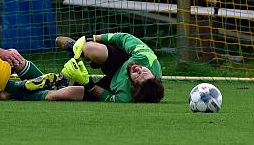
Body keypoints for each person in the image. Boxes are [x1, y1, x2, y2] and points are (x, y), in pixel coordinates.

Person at [29, 33, 164, 103]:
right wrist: (91, 38)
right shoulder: (146, 58)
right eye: (144, 71)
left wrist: (87, 82)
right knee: (91, 48)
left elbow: (104, 96)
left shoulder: (126, 96)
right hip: (122, 61)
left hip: (112, 84)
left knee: (61, 95)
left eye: (138, 77)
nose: (139, 70)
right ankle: (76, 48)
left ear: (133, 87)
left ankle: (19, 90)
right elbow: (124, 38)